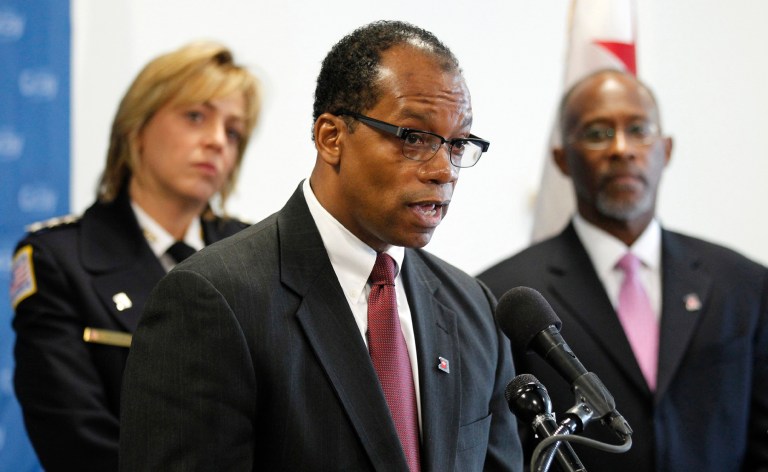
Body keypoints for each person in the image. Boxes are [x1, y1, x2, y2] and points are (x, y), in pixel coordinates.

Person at [119, 20, 523, 471]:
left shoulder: (475, 310)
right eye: (414, 138)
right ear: (331, 138)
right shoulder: (215, 298)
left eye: (458, 143)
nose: (444, 170)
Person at [478, 69, 768, 471]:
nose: (621, 148)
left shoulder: (743, 284)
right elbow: (505, 451)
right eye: (597, 133)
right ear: (562, 159)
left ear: (666, 150)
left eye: (638, 129)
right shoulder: (506, 296)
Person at [9, 41, 262, 471]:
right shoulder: (58, 258)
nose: (218, 141)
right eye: (195, 116)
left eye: (233, 131)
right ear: (136, 128)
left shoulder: (259, 252)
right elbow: (75, 438)